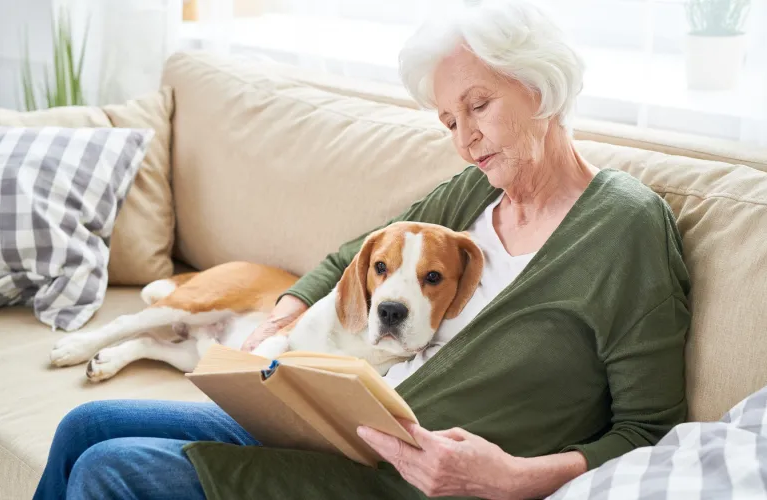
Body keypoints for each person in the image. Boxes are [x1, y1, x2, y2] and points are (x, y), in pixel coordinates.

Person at [34, 0, 691, 498]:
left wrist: (513, 477)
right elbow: (352, 254)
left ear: (540, 86)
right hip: (333, 429)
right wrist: (284, 316)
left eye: (479, 105)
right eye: (449, 122)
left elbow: (651, 431)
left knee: (107, 467)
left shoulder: (626, 228)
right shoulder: (473, 192)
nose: (465, 140)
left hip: (396, 481)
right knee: (85, 425)